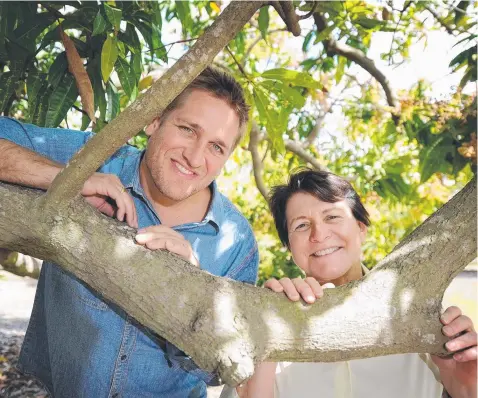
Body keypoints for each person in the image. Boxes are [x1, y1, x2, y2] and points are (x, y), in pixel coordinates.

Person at [0, 67, 259, 397]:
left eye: (216, 147)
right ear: (154, 121)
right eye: (188, 130)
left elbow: (215, 371)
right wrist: (66, 181)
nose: (195, 157)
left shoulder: (236, 243)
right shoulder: (95, 160)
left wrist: (190, 291)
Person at [221, 169, 477, 398]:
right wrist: (265, 330)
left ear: (361, 227)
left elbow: (465, 388)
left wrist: (467, 383)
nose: (319, 235)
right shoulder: (272, 318)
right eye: (301, 225)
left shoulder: (418, 313)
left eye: (332, 217)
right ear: (290, 248)